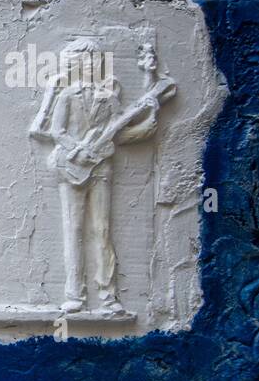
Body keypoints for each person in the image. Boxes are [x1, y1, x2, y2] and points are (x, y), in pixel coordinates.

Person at [29, 37, 164, 314]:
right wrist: (78, 149)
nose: (91, 64)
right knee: (73, 230)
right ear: (76, 65)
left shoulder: (108, 96)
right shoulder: (67, 95)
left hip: (101, 167)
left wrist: (148, 115)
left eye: (95, 59)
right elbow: (57, 132)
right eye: (85, 60)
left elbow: (120, 129)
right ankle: (74, 296)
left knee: (101, 231)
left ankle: (108, 297)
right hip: (72, 167)